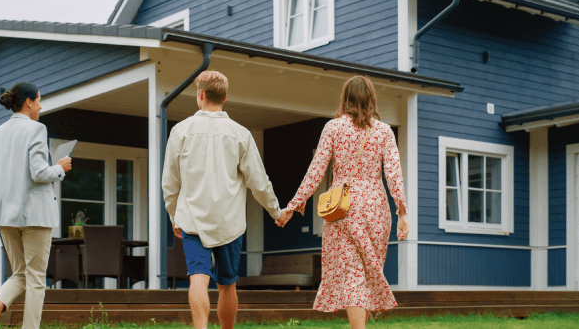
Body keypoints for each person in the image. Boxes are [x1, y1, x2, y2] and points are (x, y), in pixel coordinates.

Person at [275, 75, 410, 329]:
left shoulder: (334, 128)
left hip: (343, 208)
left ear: (345, 99)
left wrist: (293, 206)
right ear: (371, 99)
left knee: (354, 277)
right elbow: (394, 174)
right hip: (376, 209)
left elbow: (315, 171)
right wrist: (402, 213)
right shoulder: (384, 131)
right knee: (366, 277)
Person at [162, 70, 283, 329]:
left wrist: (174, 215)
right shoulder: (240, 134)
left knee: (198, 278)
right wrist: (276, 212)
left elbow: (170, 184)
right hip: (229, 223)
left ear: (200, 95)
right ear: (225, 97)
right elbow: (259, 182)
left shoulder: (180, 131)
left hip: (193, 220)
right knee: (227, 284)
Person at [0, 82, 72, 329]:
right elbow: (40, 173)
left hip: (4, 216)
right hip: (34, 215)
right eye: (39, 100)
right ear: (28, 102)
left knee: (20, 273)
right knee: (36, 279)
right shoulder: (36, 129)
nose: (41, 106)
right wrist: (60, 169)